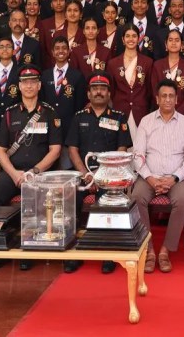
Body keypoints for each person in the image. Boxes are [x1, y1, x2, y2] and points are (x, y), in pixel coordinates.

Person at [0, 64, 62, 272]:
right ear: (19, 86)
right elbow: (0, 150)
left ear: (39, 86)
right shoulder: (10, 114)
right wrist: (13, 174)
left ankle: (29, 247)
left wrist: (34, 171)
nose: (29, 86)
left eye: (33, 82)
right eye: (25, 82)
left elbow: (55, 150)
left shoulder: (49, 113)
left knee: (35, 196)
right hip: (13, 172)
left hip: (39, 173)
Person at [67, 72, 133, 274]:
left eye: (102, 89)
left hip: (109, 176)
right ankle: (75, 251)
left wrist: (104, 175)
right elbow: (72, 150)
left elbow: (122, 149)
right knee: (70, 199)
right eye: (94, 89)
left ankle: (107, 251)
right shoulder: (78, 117)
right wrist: (86, 174)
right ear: (88, 93)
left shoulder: (119, 117)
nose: (98, 92)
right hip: (83, 175)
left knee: (108, 201)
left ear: (109, 93)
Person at [131, 79, 184, 273]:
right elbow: (138, 155)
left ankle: (165, 250)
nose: (167, 99)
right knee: (136, 198)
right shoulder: (146, 121)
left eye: (171, 96)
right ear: (157, 99)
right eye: (164, 96)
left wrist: (174, 178)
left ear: (176, 99)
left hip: (177, 178)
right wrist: (150, 178)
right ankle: (149, 250)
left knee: (182, 201)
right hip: (149, 176)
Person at [41, 37, 86, 167]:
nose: (61, 51)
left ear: (69, 51)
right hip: (49, 130)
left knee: (67, 168)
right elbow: (42, 103)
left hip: (69, 130)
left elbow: (79, 106)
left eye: (64, 48)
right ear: (52, 52)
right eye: (57, 48)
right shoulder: (45, 75)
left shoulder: (77, 76)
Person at [106, 25, 153, 141]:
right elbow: (111, 91)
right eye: (127, 36)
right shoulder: (113, 63)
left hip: (141, 113)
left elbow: (150, 90)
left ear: (139, 38)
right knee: (119, 147)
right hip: (119, 112)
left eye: (134, 36)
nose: (131, 39)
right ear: (123, 39)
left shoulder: (147, 62)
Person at [151, 29, 184, 119]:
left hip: (182, 117)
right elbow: (154, 92)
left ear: (182, 45)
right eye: (170, 40)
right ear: (166, 44)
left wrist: (176, 114)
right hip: (161, 115)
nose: (174, 43)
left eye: (177, 40)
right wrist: (165, 111)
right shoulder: (157, 65)